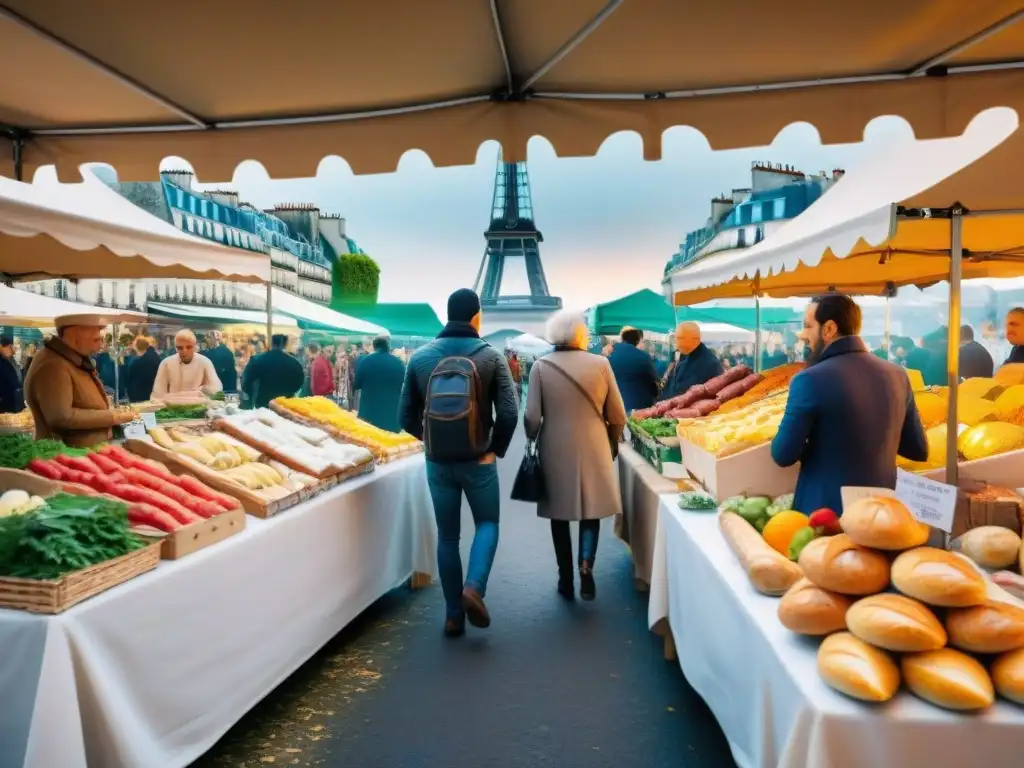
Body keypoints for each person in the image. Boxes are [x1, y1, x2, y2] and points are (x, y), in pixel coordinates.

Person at [399, 288, 518, 638]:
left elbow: (404, 415)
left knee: (447, 536)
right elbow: (509, 411)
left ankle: (453, 615)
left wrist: (431, 442)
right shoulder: (491, 357)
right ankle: (474, 588)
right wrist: (494, 447)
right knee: (487, 524)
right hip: (478, 459)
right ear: (476, 316)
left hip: (438, 462)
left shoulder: (420, 358)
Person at [771, 294, 928, 515]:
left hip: (827, 517)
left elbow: (783, 454)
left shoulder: (809, 379)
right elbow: (917, 449)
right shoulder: (898, 374)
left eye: (808, 326)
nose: (803, 335)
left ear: (829, 329)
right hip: (884, 514)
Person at [524, 311, 627, 601]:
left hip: (554, 444)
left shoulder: (540, 366)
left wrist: (532, 437)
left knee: (559, 514)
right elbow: (617, 414)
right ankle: (586, 566)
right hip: (594, 444)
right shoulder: (601, 364)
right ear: (580, 334)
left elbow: (532, 416)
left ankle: (565, 578)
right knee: (589, 509)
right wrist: (613, 438)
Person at [24, 315, 137, 447]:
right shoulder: (53, 364)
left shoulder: (69, 359)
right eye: (96, 340)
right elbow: (61, 416)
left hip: (89, 452)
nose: (99, 346)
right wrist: (112, 417)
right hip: (70, 455)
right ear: (73, 335)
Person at [353, 334, 406, 433]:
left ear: (374, 346)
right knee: (391, 445)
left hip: (369, 414)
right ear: (388, 347)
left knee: (369, 444)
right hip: (391, 415)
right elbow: (406, 386)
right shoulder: (399, 363)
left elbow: (357, 384)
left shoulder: (365, 361)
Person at [659, 321, 724, 401]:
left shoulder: (710, 364)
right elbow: (674, 386)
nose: (677, 342)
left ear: (694, 338)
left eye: (681, 338)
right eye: (677, 338)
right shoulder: (685, 355)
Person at [152, 329, 222, 399]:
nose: (184, 351)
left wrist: (203, 389)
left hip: (199, 405)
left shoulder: (204, 362)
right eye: (180, 348)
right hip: (174, 406)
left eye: (189, 347)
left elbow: (216, 388)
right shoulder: (166, 363)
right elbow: (158, 394)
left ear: (195, 347)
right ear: (176, 348)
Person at [241, 334, 305, 408]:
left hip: (263, 403)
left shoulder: (257, 360)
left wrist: (252, 395)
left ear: (271, 343)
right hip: (286, 405)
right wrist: (289, 393)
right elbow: (300, 381)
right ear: (285, 344)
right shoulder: (294, 363)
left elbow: (246, 382)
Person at [607, 326, 659, 413]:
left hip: (614, 406)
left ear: (622, 338)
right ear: (638, 340)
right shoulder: (644, 357)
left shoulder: (609, 354)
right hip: (639, 406)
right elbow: (655, 380)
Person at [124, 336, 161, 403]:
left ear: (136, 347)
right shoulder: (154, 357)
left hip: (140, 397)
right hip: (152, 395)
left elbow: (129, 378)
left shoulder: (137, 362)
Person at [0, 335, 24, 414]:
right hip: (5, 403)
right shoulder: (3, 362)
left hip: (14, 399)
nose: (12, 350)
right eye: (9, 347)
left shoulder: (9, 360)